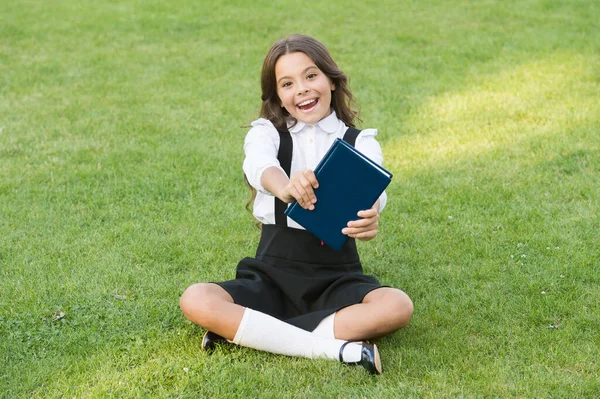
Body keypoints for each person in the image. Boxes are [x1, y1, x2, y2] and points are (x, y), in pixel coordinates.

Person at [180, 34, 413, 375]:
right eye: (287, 83)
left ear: (332, 81)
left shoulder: (360, 140)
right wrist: (286, 186)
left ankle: (247, 334)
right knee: (196, 298)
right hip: (273, 269)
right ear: (278, 97)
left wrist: (372, 213)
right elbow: (258, 166)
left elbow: (373, 187)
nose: (301, 89)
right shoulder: (267, 133)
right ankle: (339, 350)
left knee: (397, 306)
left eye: (310, 76)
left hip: (336, 273)